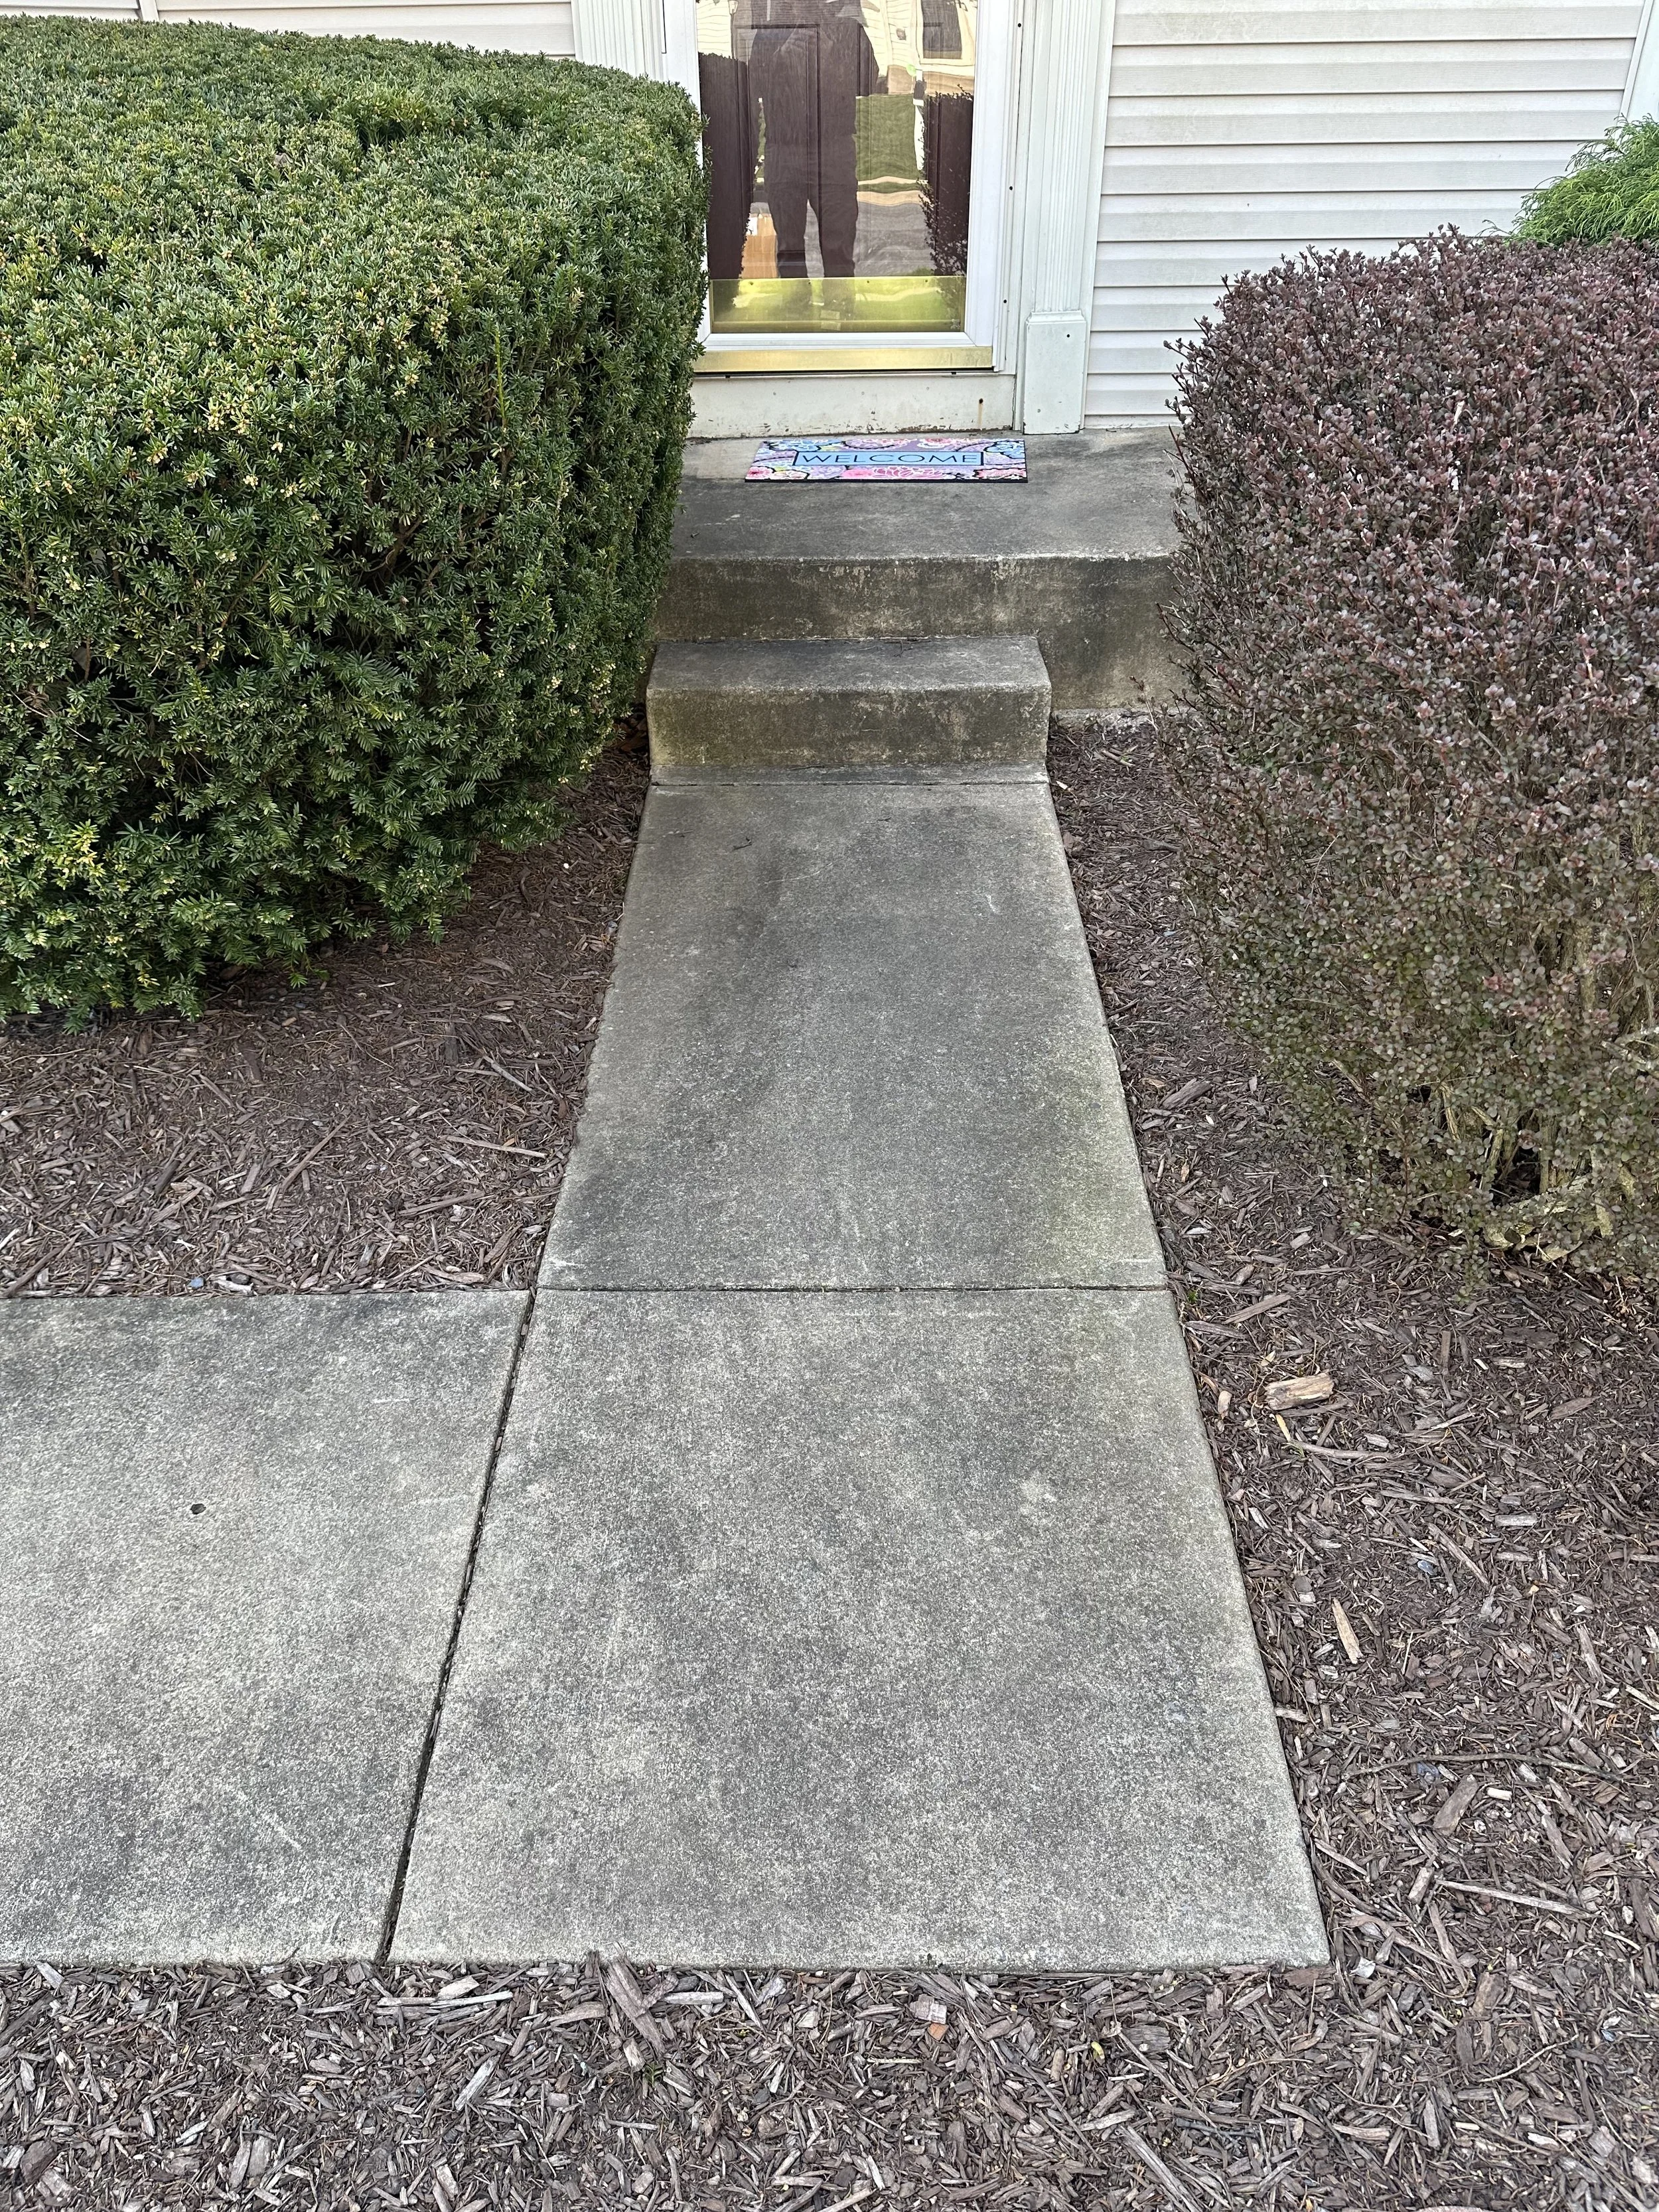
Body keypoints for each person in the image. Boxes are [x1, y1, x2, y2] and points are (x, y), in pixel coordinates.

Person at [748, 0, 878, 280]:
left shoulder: (847, 29)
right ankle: (795, 317)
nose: (805, 7)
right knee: (789, 251)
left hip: (833, 150)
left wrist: (831, 52)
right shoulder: (771, 34)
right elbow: (752, 85)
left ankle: (842, 319)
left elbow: (869, 81)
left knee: (839, 249)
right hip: (784, 149)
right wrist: (782, 55)